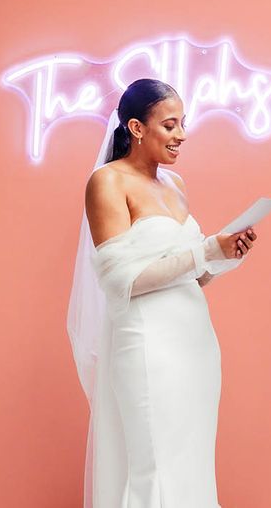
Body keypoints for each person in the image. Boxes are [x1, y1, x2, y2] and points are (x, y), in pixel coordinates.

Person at [67, 78, 257, 508]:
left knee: (191, 463)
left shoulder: (177, 185)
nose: (182, 135)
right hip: (147, 343)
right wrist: (206, 249)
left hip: (196, 342)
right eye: (169, 125)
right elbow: (120, 282)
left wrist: (225, 254)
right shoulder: (107, 182)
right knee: (154, 464)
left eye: (183, 123)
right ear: (136, 127)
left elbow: (188, 273)